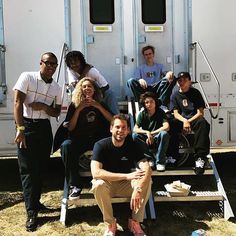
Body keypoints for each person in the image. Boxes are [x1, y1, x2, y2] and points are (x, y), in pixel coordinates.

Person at [13, 52, 62, 232]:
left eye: (54, 64)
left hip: (43, 128)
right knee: (27, 169)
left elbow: (56, 112)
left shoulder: (57, 88)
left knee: (41, 167)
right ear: (40, 63)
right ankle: (31, 213)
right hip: (26, 125)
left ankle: (36, 202)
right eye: (47, 63)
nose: (50, 67)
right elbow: (18, 103)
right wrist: (20, 129)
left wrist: (43, 107)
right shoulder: (27, 77)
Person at [91, 114, 152, 236]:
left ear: (128, 130)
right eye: (117, 127)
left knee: (147, 181)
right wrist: (126, 176)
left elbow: (147, 168)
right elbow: (96, 173)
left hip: (126, 186)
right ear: (111, 128)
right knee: (98, 184)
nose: (120, 130)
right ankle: (110, 224)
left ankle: (135, 223)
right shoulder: (101, 145)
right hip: (108, 185)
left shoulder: (132, 144)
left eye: (124, 127)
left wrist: (138, 188)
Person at [61, 77, 113, 200]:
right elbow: (70, 127)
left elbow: (113, 121)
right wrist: (79, 109)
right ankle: (75, 185)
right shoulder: (74, 105)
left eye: (89, 86)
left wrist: (98, 107)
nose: (87, 88)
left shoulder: (101, 103)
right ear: (80, 90)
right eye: (84, 86)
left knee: (110, 143)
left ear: (94, 89)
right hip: (80, 139)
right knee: (66, 146)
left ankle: (104, 180)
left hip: (97, 139)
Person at [169, 72, 210, 175]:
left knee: (203, 123)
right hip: (181, 120)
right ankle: (172, 157)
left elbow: (200, 113)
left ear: (189, 81)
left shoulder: (196, 93)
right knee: (170, 124)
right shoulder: (175, 95)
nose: (181, 82)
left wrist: (188, 122)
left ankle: (200, 159)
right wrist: (184, 121)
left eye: (183, 80)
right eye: (179, 80)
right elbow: (175, 113)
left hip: (194, 119)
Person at [133, 92, 170, 171]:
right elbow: (135, 129)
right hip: (146, 138)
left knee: (164, 134)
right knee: (134, 136)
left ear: (155, 102)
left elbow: (166, 127)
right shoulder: (142, 114)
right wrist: (147, 132)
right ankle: (150, 159)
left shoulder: (160, 112)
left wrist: (151, 134)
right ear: (144, 104)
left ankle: (160, 162)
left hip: (157, 136)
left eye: (151, 101)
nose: (149, 104)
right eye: (147, 102)